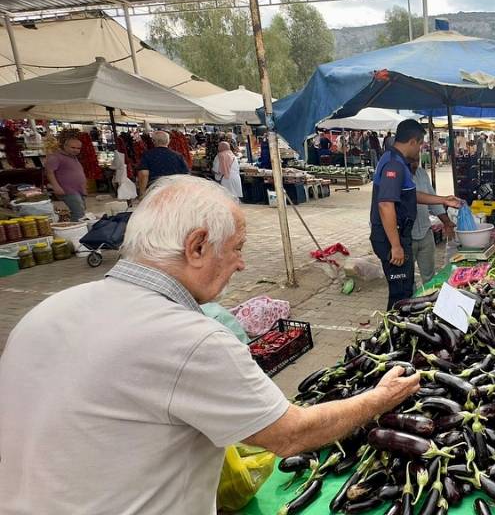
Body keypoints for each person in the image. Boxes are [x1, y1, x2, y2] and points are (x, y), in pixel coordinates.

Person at [0, 175, 420, 514]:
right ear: (197, 246)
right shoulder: (190, 339)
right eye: (237, 249)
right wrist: (379, 398)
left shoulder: (48, 310)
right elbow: (289, 435)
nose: (241, 263)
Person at [371, 120, 461, 309]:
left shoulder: (395, 160)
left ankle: (400, 328)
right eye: (420, 144)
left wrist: (443, 199)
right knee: (401, 293)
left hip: (399, 236)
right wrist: (395, 246)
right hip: (391, 239)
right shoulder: (394, 165)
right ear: (413, 141)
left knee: (404, 289)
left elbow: (411, 195)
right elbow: (386, 204)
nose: (420, 149)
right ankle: (393, 334)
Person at [408, 157, 455, 282]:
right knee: (407, 279)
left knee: (429, 276)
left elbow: (433, 201)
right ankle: (412, 300)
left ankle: (428, 300)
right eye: (411, 158)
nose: (415, 161)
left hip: (425, 232)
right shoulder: (398, 175)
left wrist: (447, 222)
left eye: (416, 157)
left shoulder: (421, 173)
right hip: (406, 236)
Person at [44, 135, 88, 221]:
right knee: (78, 212)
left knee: (81, 210)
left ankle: (78, 227)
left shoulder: (72, 157)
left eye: (78, 148)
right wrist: (56, 186)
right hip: (67, 190)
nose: (76, 150)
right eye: (73, 147)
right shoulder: (56, 157)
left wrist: (84, 187)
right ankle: (77, 231)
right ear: (65, 146)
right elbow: (49, 172)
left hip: (78, 190)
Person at [137, 130, 189, 197]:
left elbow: (143, 174)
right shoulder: (178, 156)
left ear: (153, 141)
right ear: (168, 141)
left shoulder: (147, 155)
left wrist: (142, 192)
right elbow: (186, 175)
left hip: (154, 191)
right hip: (174, 191)